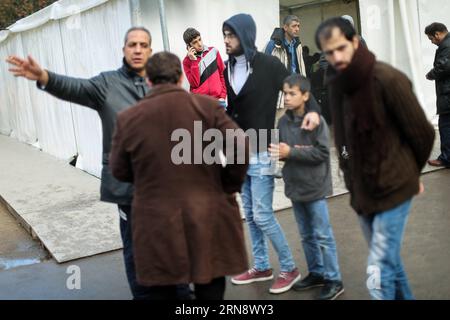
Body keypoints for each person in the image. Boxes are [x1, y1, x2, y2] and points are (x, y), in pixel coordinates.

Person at [6, 27, 190, 300]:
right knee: (138, 256)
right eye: (132, 44)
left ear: (150, 50)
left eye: (143, 45)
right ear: (124, 49)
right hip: (130, 192)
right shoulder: (107, 85)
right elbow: (75, 88)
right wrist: (44, 76)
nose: (138, 49)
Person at [109, 51, 250, 300]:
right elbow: (240, 146)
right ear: (181, 77)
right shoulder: (206, 107)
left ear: (149, 81)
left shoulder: (128, 118)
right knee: (209, 279)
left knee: (163, 287)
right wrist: (228, 184)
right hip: (208, 211)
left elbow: (119, 170)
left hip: (155, 219)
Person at [316, 17, 435, 300]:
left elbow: (423, 134)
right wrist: (349, 173)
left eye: (341, 48)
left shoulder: (386, 78)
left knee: (378, 271)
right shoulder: (335, 84)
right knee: (389, 264)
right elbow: (342, 139)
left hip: (395, 188)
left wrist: (410, 176)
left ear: (355, 42)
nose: (337, 57)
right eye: (329, 52)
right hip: (363, 191)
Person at [222, 13, 321, 294]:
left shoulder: (268, 64)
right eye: (224, 35)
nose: (226, 40)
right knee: (251, 215)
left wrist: (313, 114)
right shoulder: (228, 67)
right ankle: (262, 266)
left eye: (230, 35)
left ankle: (289, 268)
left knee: (263, 214)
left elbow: (298, 89)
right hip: (239, 151)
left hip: (263, 148)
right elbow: (235, 107)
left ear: (244, 35)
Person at [269, 74, 343, 300]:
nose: (288, 98)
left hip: (314, 187)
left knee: (323, 234)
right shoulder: (282, 122)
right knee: (306, 235)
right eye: (286, 93)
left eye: (292, 94)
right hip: (295, 186)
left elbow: (322, 153)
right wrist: (282, 153)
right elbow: (283, 149)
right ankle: (317, 272)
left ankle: (334, 279)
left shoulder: (316, 121)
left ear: (305, 96)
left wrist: (291, 152)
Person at [425, 22, 450, 168]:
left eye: (431, 39)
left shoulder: (446, 46)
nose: (432, 42)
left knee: (445, 125)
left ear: (437, 34)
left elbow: (444, 66)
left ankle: (446, 158)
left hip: (447, 93)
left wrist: (430, 74)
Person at [182, 27, 227, 108]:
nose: (199, 44)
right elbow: (194, 83)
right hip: (199, 104)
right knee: (197, 121)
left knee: (223, 121)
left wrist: (223, 96)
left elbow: (223, 74)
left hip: (218, 102)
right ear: (189, 46)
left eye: (200, 39)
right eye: (195, 42)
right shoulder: (186, 62)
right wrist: (194, 61)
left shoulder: (213, 51)